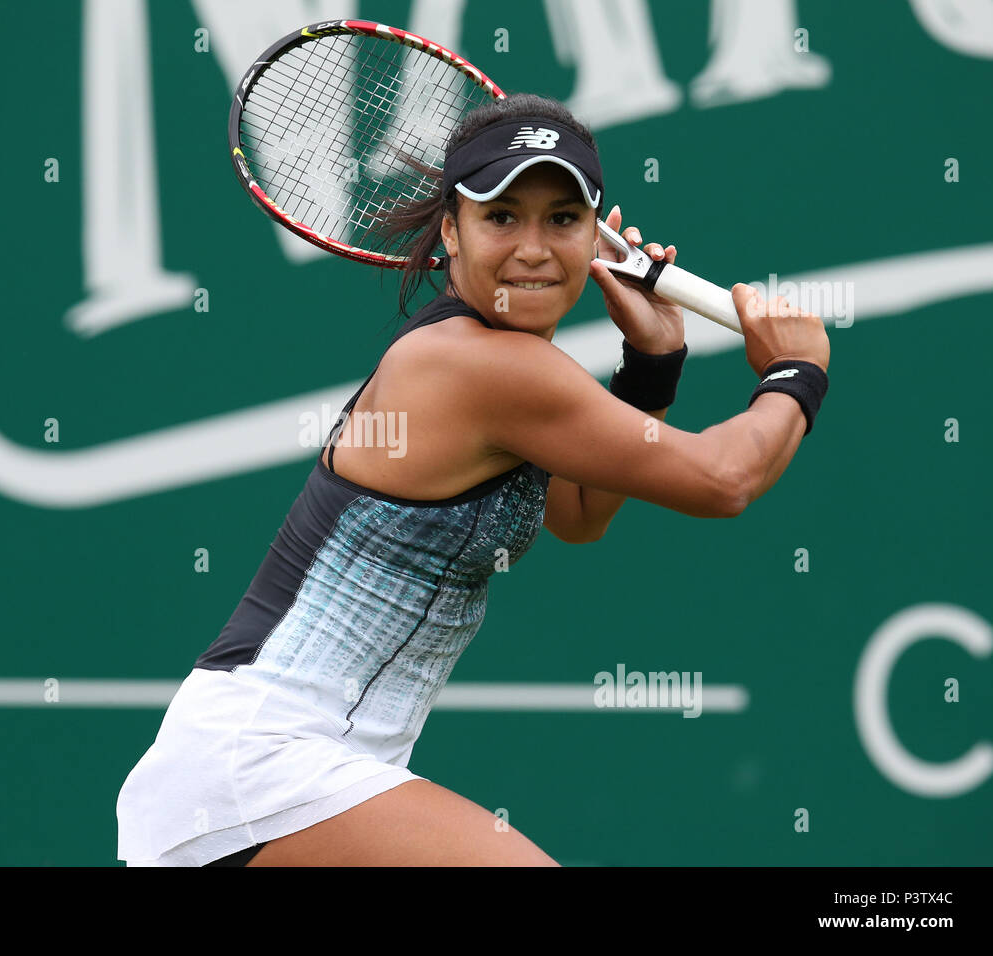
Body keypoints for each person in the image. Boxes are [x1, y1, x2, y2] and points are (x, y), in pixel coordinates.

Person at [115, 92, 830, 867]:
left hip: (278, 776)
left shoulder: (502, 368)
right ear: (452, 230)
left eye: (562, 218)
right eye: (501, 217)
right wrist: (797, 369)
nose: (532, 247)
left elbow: (580, 514)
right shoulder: (476, 366)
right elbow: (724, 479)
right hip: (259, 766)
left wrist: (653, 365)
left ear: (596, 237)